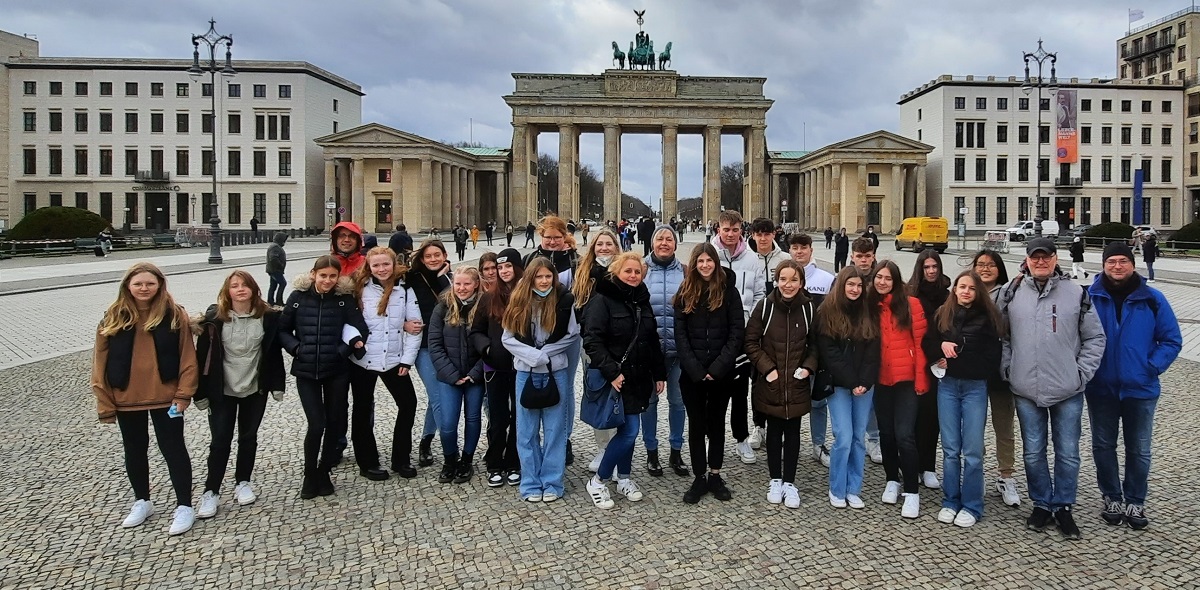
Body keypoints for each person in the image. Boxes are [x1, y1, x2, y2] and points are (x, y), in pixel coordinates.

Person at [999, 237, 1106, 540]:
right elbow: (1004, 336)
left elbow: (1095, 338)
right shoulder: (1015, 293)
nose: (1041, 262)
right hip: (1025, 386)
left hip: (1067, 387)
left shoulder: (1076, 294)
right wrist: (1008, 368)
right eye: (1036, 257)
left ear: (1056, 259)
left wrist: (1081, 373)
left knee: (1068, 452)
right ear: (1028, 260)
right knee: (1033, 451)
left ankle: (1064, 506)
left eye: (1046, 257)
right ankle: (1042, 502)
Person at [92, 262, 198, 535]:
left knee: (173, 450)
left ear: (160, 285)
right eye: (138, 283)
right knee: (134, 450)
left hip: (166, 397)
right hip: (126, 396)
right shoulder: (113, 317)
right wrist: (104, 401)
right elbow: (99, 362)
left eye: (149, 283)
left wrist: (184, 393)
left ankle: (184, 505)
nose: (144, 288)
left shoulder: (174, 315)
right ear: (128, 285)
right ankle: (142, 500)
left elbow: (188, 356)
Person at [1086, 241, 1181, 530]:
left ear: (1133, 263)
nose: (1117, 266)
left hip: (1140, 387)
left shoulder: (1152, 298)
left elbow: (1171, 339)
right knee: (1103, 445)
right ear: (1103, 265)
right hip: (1101, 386)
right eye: (1111, 261)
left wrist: (1150, 367)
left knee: (1139, 448)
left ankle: (1136, 499)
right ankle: (1112, 496)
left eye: (1122, 261)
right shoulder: (1090, 297)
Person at [193, 270, 286, 521]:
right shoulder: (214, 319)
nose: (240, 289)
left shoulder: (267, 318)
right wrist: (199, 393)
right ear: (227, 291)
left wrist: (277, 384)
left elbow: (272, 352)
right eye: (234, 286)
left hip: (254, 387)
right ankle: (211, 491)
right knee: (220, 439)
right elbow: (202, 358)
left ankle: (243, 481)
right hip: (222, 389)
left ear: (255, 289)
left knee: (248, 437)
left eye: (245, 285)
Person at [278, 256, 368, 500]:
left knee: (334, 422)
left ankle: (324, 470)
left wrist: (342, 351)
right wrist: (296, 348)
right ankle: (310, 473)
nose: (327, 280)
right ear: (313, 274)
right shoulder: (297, 298)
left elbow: (361, 330)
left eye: (332, 276)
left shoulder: (344, 300)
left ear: (338, 277)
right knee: (316, 423)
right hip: (306, 370)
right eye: (323, 275)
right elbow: (283, 330)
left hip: (336, 370)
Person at [582, 252, 667, 509]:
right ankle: (599, 480)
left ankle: (625, 477)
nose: (633, 276)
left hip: (639, 377)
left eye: (637, 272)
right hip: (617, 378)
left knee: (627, 431)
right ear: (616, 272)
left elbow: (651, 340)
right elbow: (592, 341)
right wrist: (612, 372)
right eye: (628, 271)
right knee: (630, 431)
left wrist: (659, 373)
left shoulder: (642, 300)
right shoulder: (602, 300)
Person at [502, 257, 580, 502]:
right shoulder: (519, 300)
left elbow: (572, 334)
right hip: (525, 371)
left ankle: (552, 481)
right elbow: (508, 338)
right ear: (531, 278)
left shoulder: (564, 300)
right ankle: (530, 482)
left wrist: (546, 354)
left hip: (555, 370)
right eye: (539, 277)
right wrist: (534, 356)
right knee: (526, 431)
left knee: (555, 430)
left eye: (548, 276)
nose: (544, 281)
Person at [930, 271, 1004, 528]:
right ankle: (950, 500)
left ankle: (972, 504)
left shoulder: (989, 318)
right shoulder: (943, 313)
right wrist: (940, 348)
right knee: (950, 449)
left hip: (974, 387)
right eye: (962, 287)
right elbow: (929, 341)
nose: (966, 292)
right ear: (955, 290)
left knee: (972, 450)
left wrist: (966, 357)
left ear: (978, 292)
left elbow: (994, 355)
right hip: (947, 385)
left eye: (971, 288)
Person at [674, 243, 745, 503]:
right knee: (696, 424)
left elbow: (737, 332)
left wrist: (717, 367)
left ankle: (715, 474)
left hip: (721, 372)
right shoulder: (685, 291)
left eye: (709, 260)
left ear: (716, 262)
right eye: (700, 261)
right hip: (692, 374)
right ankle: (699, 476)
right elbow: (679, 334)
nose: (705, 265)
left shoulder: (729, 292)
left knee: (716, 423)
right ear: (694, 264)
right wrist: (694, 368)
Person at [745, 260, 818, 510]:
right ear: (776, 280)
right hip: (773, 382)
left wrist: (808, 367)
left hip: (796, 382)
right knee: (774, 433)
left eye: (794, 280)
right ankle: (775, 480)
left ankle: (790, 482)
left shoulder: (809, 308)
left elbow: (816, 344)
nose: (788, 285)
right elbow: (751, 342)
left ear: (801, 283)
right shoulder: (765, 306)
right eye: (783, 279)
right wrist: (768, 369)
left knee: (794, 433)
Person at [349, 247, 423, 482]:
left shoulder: (405, 288)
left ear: (394, 264)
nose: (381, 269)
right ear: (369, 267)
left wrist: (407, 360)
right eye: (376, 265)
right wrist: (353, 341)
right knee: (362, 410)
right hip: (364, 359)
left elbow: (415, 326)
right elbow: (348, 321)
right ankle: (367, 462)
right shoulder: (359, 289)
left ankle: (400, 458)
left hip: (393, 358)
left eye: (385, 264)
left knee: (408, 404)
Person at [870, 260, 929, 519]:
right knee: (886, 433)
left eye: (887, 278)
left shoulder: (911, 305)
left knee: (905, 434)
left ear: (896, 280)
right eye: (878, 277)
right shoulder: (870, 307)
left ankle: (912, 492)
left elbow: (921, 345)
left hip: (906, 379)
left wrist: (921, 380)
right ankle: (892, 479)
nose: (882, 282)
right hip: (881, 379)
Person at [817, 267, 880, 510]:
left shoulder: (869, 311)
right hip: (839, 384)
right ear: (842, 285)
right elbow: (829, 353)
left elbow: (874, 350)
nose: (854, 289)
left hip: (865, 385)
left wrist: (864, 381)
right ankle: (837, 486)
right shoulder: (828, 311)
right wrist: (853, 382)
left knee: (858, 438)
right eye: (850, 285)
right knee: (843, 436)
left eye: (858, 285)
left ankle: (854, 487)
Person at [524, 215, 582, 464]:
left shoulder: (576, 261)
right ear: (541, 237)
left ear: (564, 237)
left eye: (556, 237)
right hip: (535, 334)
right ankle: (535, 437)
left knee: (565, 386)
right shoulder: (529, 260)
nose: (551, 242)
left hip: (567, 333)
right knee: (534, 384)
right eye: (547, 237)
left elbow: (582, 293)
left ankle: (563, 439)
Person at [711, 209, 767, 465]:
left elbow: (759, 295)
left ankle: (741, 438)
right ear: (718, 230)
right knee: (713, 390)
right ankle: (713, 436)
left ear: (741, 231)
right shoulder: (708, 255)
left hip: (743, 333)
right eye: (726, 229)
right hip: (714, 334)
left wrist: (750, 326)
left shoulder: (753, 259)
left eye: (735, 230)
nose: (731, 234)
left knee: (739, 391)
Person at [970, 249, 1022, 508]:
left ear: (999, 268)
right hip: (975, 368)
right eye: (981, 264)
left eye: (991, 265)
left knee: (1004, 426)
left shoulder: (1010, 293)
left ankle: (1006, 475)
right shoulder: (966, 290)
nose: (986, 269)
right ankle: (975, 474)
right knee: (974, 426)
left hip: (1001, 368)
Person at [471, 248, 525, 488]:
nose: (503, 271)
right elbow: (476, 331)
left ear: (517, 268)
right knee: (498, 416)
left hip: (522, 367)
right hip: (495, 366)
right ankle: (494, 462)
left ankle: (514, 461)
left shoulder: (527, 296)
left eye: (508, 266)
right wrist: (487, 350)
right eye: (500, 267)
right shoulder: (487, 297)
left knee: (520, 417)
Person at [429, 266, 485, 484]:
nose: (461, 288)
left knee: (472, 418)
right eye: (458, 284)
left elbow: (490, 343)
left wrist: (474, 373)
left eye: (466, 284)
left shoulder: (483, 307)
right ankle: (449, 460)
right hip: (449, 376)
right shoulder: (442, 307)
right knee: (448, 422)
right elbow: (434, 344)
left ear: (476, 285)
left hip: (474, 376)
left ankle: (467, 461)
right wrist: (451, 375)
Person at [573, 228, 622, 475]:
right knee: (596, 394)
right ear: (593, 248)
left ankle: (617, 450)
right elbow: (576, 309)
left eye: (608, 244)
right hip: (591, 347)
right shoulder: (582, 274)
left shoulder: (625, 271)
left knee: (618, 397)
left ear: (616, 247)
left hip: (621, 347)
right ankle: (603, 448)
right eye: (599, 244)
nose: (604, 248)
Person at [643, 224, 688, 478]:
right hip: (649, 351)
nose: (664, 242)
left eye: (669, 239)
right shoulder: (641, 269)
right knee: (649, 403)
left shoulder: (684, 272)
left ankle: (676, 450)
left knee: (678, 402)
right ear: (652, 243)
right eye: (659, 238)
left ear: (675, 243)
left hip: (677, 351)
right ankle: (651, 452)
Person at [788, 233, 836, 466]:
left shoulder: (827, 279)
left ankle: (818, 444)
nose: (799, 252)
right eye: (795, 248)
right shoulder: (785, 277)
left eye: (803, 248)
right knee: (792, 399)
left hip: (818, 351)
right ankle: (791, 442)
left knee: (818, 401)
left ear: (811, 250)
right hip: (792, 351)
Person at [408, 239, 452, 468]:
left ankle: (426, 439)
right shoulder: (410, 278)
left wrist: (445, 279)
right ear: (421, 258)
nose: (433, 259)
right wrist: (404, 324)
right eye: (428, 256)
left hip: (449, 346)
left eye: (437, 254)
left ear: (445, 255)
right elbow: (395, 305)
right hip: (423, 345)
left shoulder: (451, 278)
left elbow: (458, 304)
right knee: (438, 397)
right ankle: (448, 451)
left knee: (440, 397)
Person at [747, 218, 791, 450]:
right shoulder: (747, 258)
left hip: (779, 326)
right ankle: (758, 425)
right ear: (753, 235)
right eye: (759, 234)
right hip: (756, 326)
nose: (763, 238)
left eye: (767, 234)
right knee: (757, 379)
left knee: (779, 377)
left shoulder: (785, 259)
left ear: (774, 234)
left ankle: (778, 424)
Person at [908, 250, 949, 491]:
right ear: (920, 270)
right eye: (927, 267)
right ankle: (912, 465)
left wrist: (943, 355)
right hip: (916, 360)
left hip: (938, 361)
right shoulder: (911, 294)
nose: (931, 271)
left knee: (931, 417)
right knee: (912, 416)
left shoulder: (947, 295)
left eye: (935, 266)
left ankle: (929, 466)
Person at [850, 236, 883, 464]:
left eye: (867, 256)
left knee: (872, 397)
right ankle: (853, 439)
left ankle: (874, 439)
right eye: (859, 256)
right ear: (853, 256)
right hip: (852, 346)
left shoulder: (881, 278)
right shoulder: (845, 278)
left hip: (876, 343)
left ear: (873, 256)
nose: (864, 261)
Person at [265, 232, 288, 306]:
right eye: (284, 240)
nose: (284, 242)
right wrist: (280, 265)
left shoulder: (275, 246)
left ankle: (270, 301)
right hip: (275, 270)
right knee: (283, 283)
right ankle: (279, 300)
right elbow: (273, 258)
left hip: (273, 270)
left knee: (273, 285)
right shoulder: (275, 247)